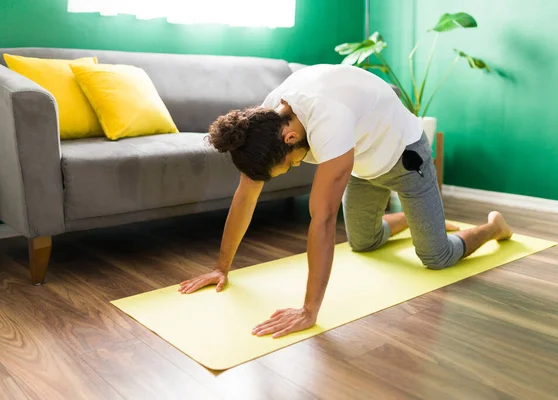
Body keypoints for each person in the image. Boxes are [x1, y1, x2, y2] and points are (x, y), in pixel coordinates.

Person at [178, 64, 513, 338]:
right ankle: (421, 221)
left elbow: (321, 221)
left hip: (405, 158)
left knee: (436, 256)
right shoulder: (265, 123)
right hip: (363, 168)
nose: (294, 166)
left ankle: (492, 227)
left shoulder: (328, 118)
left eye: (289, 164)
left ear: (291, 137)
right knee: (364, 243)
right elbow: (245, 195)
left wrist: (309, 311)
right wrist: (221, 267)